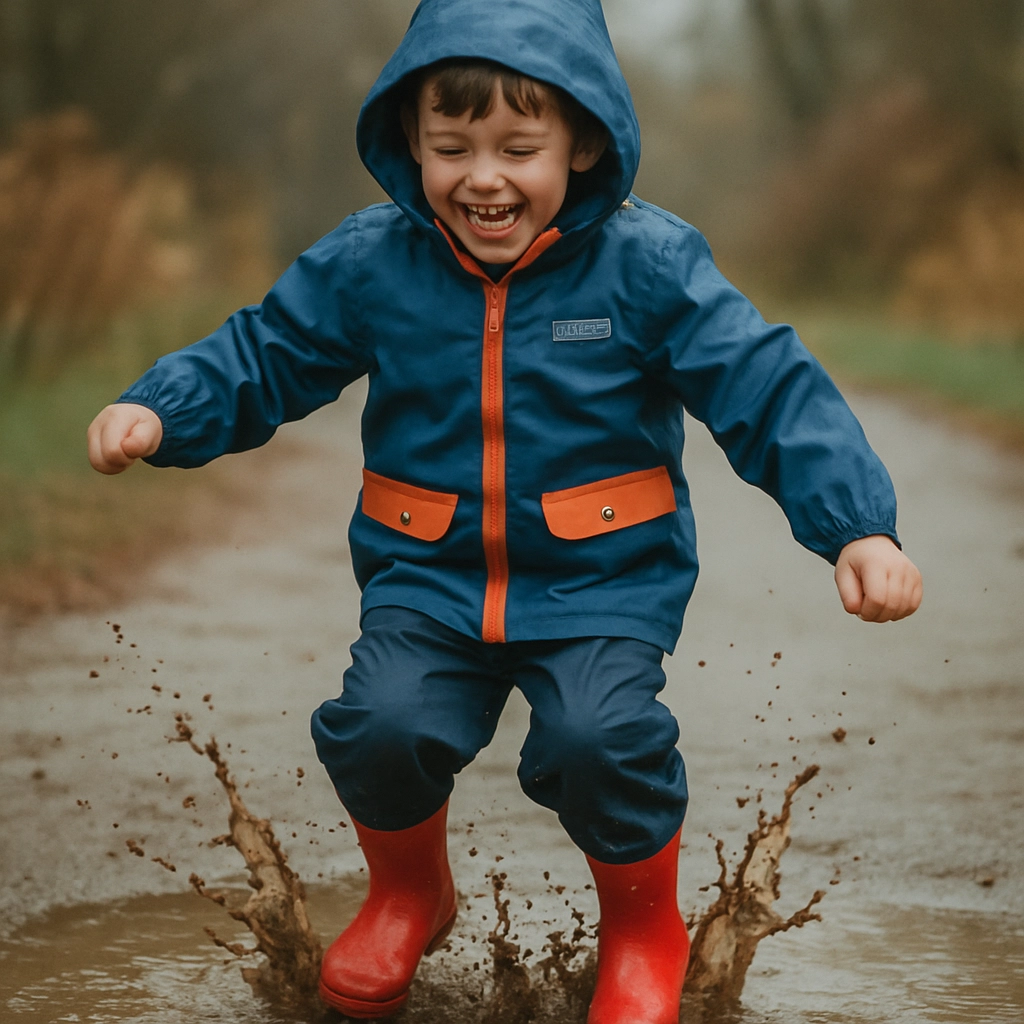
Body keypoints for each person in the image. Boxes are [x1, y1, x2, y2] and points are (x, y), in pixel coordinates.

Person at [87, 0, 923, 1020]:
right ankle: (409, 892)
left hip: (601, 580)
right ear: (410, 141)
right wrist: (159, 409)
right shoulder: (371, 263)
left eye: (519, 146)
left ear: (582, 143)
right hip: (427, 574)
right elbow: (266, 353)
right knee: (379, 725)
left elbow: (766, 387)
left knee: (596, 738)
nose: (483, 176)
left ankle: (641, 931)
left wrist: (857, 524)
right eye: (451, 146)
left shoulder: (647, 266)